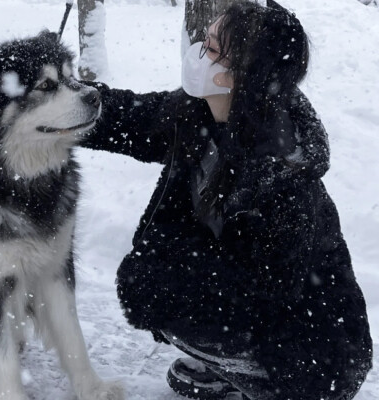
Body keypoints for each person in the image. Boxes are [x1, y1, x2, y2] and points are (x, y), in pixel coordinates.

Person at [81, 1, 372, 399]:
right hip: (261, 310)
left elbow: (260, 294)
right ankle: (228, 367)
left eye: (212, 48)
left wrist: (157, 280)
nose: (197, 50)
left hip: (319, 354)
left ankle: (271, 383)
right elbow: (132, 118)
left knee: (162, 289)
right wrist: (61, 101)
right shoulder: (199, 114)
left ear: (243, 77)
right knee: (162, 282)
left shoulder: (284, 180)